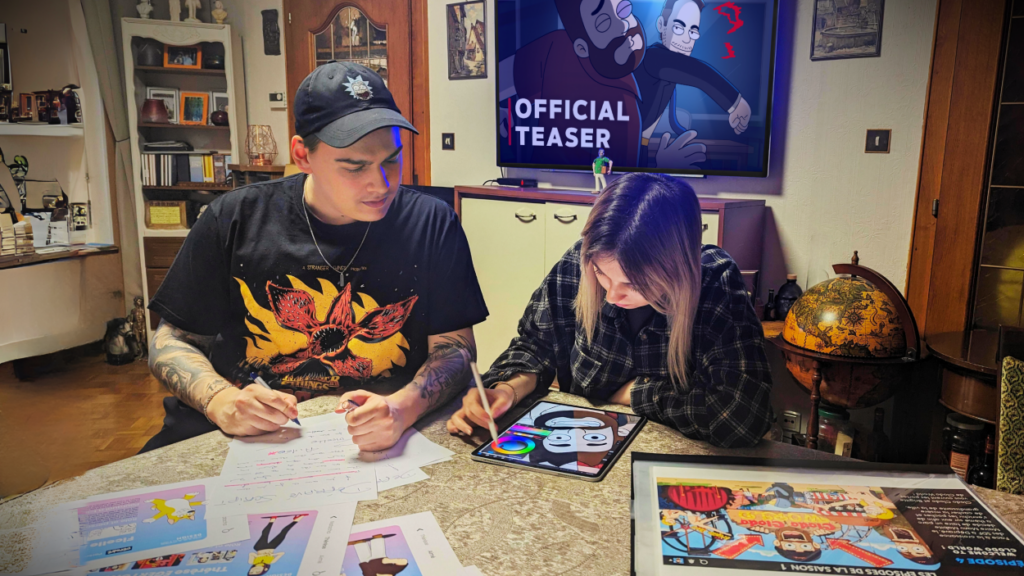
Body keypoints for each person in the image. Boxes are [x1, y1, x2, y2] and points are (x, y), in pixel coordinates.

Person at [143, 62, 488, 453]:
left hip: (382, 440)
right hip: (244, 438)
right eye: (355, 166)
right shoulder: (234, 218)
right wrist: (221, 401)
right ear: (302, 155)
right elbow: (170, 341)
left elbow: (456, 349)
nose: (382, 184)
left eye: (392, 159)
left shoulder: (432, 223)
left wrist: (401, 407)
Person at [447, 173, 772, 448]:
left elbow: (742, 416)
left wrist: (637, 393)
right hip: (585, 445)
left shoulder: (714, 281)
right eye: (602, 274)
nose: (612, 294)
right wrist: (506, 390)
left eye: (635, 283)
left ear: (676, 269)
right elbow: (534, 346)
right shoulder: (579, 263)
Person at [634, 0, 752, 168]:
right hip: (627, 147)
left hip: (639, 149)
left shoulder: (668, 72)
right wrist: (735, 102)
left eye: (693, 31)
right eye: (678, 28)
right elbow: (698, 72)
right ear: (661, 25)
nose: (685, 39)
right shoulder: (653, 58)